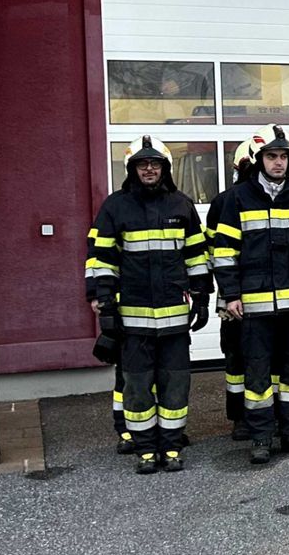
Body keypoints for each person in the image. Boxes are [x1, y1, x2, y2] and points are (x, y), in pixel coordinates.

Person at [86, 136, 211, 474]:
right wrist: (105, 306)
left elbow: (197, 256)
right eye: (142, 164)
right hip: (133, 319)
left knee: (175, 384)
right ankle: (144, 449)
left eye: (155, 163)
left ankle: (171, 447)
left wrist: (202, 296)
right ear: (132, 169)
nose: (149, 169)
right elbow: (102, 261)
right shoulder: (115, 207)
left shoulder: (181, 205)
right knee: (137, 386)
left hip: (173, 320)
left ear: (165, 168)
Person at [212, 127, 289, 464]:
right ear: (258, 160)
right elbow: (224, 253)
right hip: (254, 306)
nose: (278, 163)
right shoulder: (238, 199)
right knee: (258, 374)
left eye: (283, 157)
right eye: (271, 156)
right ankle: (261, 436)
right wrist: (231, 295)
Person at [207, 137, 256, 441]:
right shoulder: (225, 202)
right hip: (234, 297)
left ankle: (254, 416)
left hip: (254, 294)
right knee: (237, 360)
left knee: (255, 359)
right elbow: (216, 253)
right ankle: (240, 417)